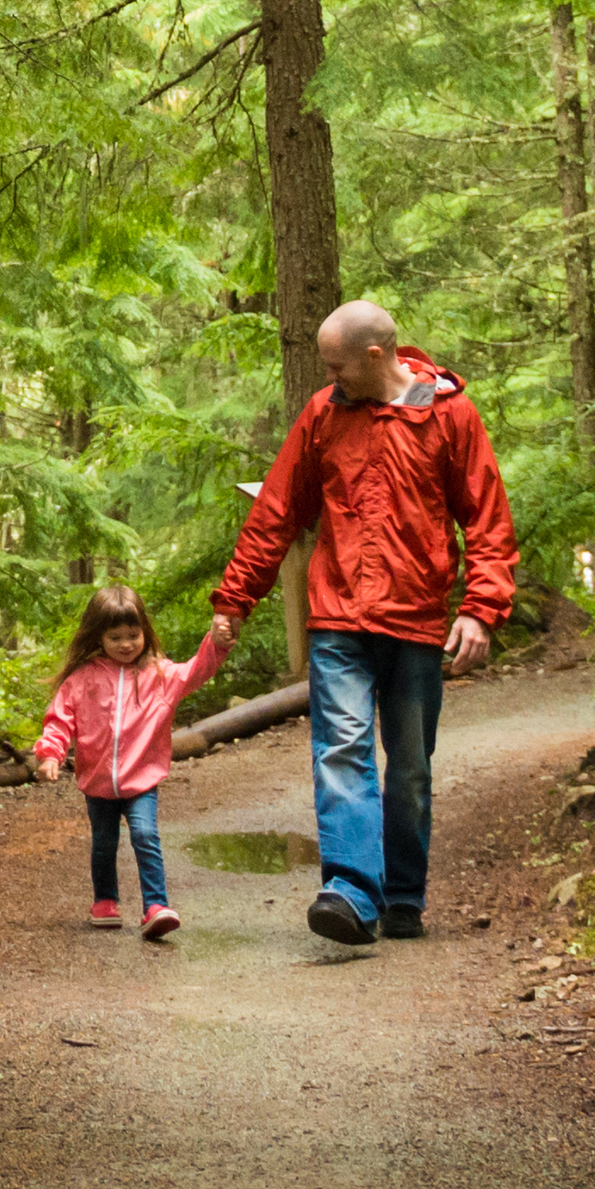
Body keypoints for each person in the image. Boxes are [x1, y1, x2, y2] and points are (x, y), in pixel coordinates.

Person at [204, 297, 517, 951]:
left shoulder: (450, 415)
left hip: (417, 621)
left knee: (409, 767)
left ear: (376, 356)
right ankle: (350, 890)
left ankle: (402, 893)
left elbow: (486, 518)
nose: (330, 375)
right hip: (339, 616)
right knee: (342, 751)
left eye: (337, 364)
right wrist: (235, 599)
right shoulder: (323, 414)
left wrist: (482, 608)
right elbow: (278, 511)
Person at [27, 584, 217, 940]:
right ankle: (105, 901)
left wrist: (218, 640)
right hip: (98, 782)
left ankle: (156, 906)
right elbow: (59, 719)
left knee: (145, 835)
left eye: (133, 635)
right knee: (103, 841)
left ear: (144, 631)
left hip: (141, 779)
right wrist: (50, 753)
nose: (126, 644)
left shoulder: (159, 675)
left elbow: (198, 670)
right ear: (98, 636)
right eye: (116, 637)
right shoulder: (82, 679)